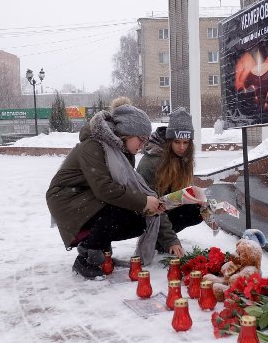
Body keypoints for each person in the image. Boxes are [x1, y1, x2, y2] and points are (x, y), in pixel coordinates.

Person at [46, 96, 184, 279]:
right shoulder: (94, 146)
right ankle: (86, 256)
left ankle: (98, 246)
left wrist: (152, 208)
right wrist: (143, 201)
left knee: (138, 219)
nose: (142, 145)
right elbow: (104, 189)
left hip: (88, 197)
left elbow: (127, 189)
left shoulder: (123, 153)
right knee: (119, 208)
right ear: (126, 133)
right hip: (66, 198)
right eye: (140, 140)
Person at [137, 108, 202, 247]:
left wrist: (203, 201)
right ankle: (159, 239)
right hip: (144, 212)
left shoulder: (183, 158)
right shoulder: (153, 161)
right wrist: (171, 241)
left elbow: (184, 192)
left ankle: (162, 239)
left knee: (197, 209)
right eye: (177, 142)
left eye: (186, 142)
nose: (182, 147)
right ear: (169, 141)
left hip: (165, 207)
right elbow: (155, 206)